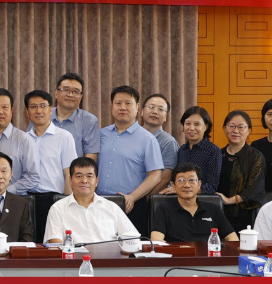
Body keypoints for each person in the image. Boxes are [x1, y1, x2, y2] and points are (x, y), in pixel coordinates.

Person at [96, 85, 164, 234]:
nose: (122, 107)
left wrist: (132, 197)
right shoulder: (101, 134)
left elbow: (155, 175)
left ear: (137, 107)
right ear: (112, 106)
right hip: (99, 204)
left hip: (131, 206)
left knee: (132, 247)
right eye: (118, 103)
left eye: (128, 103)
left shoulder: (147, 139)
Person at [45, 157, 139, 245]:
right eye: (79, 176)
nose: (84, 180)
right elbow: (55, 244)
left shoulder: (112, 207)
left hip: (110, 256)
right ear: (70, 180)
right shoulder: (57, 209)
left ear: (96, 181)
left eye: (89, 176)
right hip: (74, 256)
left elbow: (132, 238)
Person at [23, 90, 77, 243]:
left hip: (53, 200)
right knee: (28, 244)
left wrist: (66, 203)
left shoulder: (64, 137)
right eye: (33, 106)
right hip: (26, 200)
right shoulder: (23, 139)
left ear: (51, 109)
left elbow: (69, 174)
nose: (38, 111)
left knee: (52, 245)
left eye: (43, 106)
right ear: (27, 112)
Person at [0, 88, 40, 194]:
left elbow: (33, 176)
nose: (0, 112)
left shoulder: (24, 140)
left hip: (13, 200)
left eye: (5, 107)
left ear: (11, 111)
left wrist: (6, 191)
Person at [150, 163, 237, 243]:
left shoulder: (213, 209)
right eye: (181, 180)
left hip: (208, 254)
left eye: (191, 180)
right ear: (173, 185)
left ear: (199, 184)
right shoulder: (163, 210)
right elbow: (156, 240)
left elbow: (233, 238)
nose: (187, 185)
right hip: (178, 254)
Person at [214, 111, 266, 231]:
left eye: (241, 127)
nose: (235, 131)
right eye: (231, 126)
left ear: (248, 130)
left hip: (243, 216)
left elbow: (255, 188)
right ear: (224, 128)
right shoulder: (217, 154)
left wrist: (229, 200)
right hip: (218, 212)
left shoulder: (255, 156)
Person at [172, 106, 221, 195]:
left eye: (197, 124)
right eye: (188, 123)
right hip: (181, 199)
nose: (191, 128)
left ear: (206, 126)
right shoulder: (182, 150)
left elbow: (211, 186)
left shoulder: (213, 151)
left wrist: (183, 189)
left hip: (202, 200)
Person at [51, 72, 100, 160]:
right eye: (65, 89)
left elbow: (90, 160)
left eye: (76, 91)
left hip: (74, 169)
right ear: (56, 93)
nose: (70, 95)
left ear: (81, 97)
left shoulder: (89, 121)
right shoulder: (41, 116)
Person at [140, 93, 179, 194]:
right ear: (142, 111)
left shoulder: (169, 142)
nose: (155, 112)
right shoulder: (131, 136)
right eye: (151, 107)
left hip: (147, 199)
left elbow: (164, 179)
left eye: (160, 109)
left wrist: (142, 199)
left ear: (166, 117)